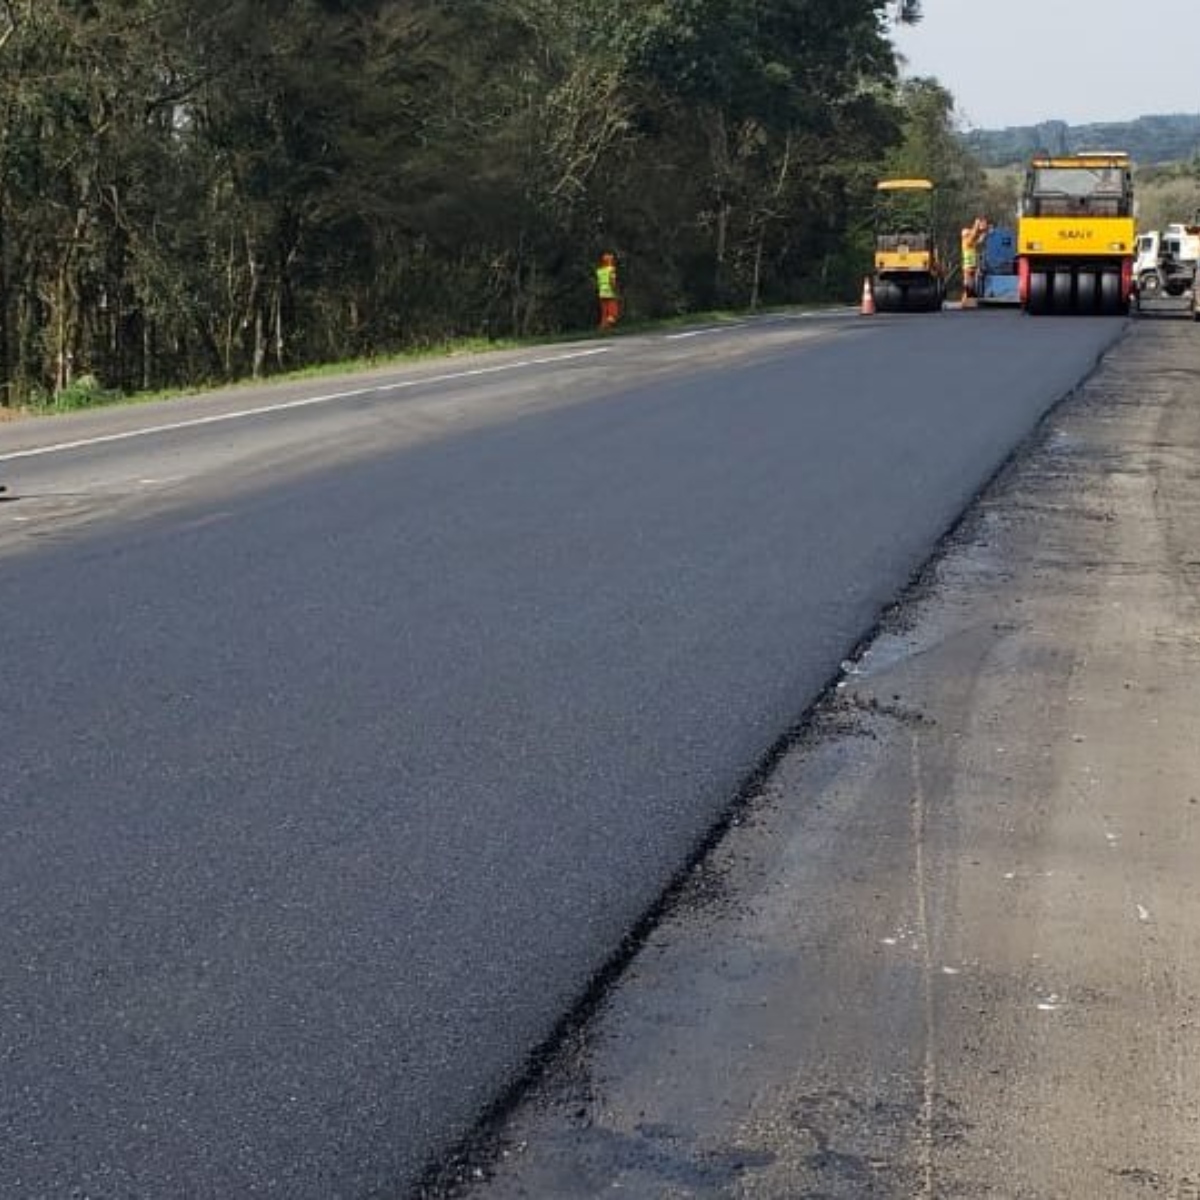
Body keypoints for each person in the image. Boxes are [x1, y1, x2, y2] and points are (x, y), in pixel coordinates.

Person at [595, 252, 621, 330]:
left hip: (601, 292)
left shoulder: (599, 271)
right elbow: (612, 281)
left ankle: (604, 326)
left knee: (604, 311)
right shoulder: (611, 269)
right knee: (613, 312)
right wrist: (615, 291)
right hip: (610, 291)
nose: (612, 261)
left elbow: (599, 282)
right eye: (611, 260)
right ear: (609, 261)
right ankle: (609, 323)